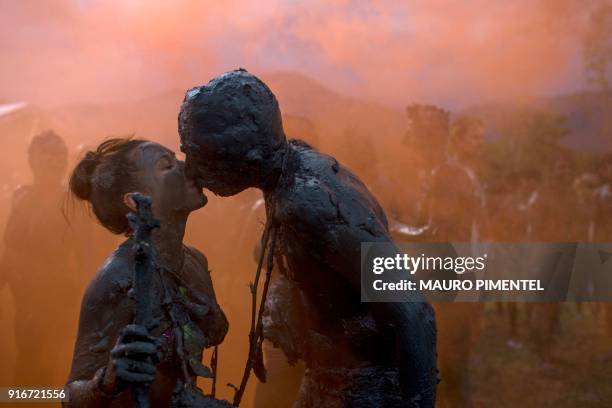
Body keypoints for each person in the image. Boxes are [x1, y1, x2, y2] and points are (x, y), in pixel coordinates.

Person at [178, 69, 437, 407]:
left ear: (243, 156)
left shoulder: (309, 201)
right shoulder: (288, 171)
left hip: (363, 391)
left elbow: (414, 312)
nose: (192, 171)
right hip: (328, 380)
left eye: (201, 156)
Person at [63, 139, 228, 407]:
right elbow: (66, 396)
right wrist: (104, 383)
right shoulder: (117, 280)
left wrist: (210, 319)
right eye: (167, 166)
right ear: (135, 200)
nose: (187, 167)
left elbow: (213, 333)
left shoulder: (194, 261)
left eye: (176, 159)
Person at [0, 130, 80, 386]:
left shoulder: (71, 202)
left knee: (46, 374)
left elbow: (87, 257)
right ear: (32, 160)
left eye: (58, 155)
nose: (54, 162)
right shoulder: (21, 196)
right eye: (45, 155)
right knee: (24, 370)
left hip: (53, 303)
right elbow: (10, 251)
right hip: (23, 302)